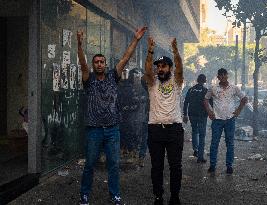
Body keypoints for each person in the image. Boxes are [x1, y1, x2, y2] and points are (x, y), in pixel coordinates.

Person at [77, 27, 147, 205]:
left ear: (106, 64)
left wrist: (136, 40)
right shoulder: (89, 79)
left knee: (114, 165)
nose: (99, 64)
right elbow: (82, 64)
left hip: (112, 130)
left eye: (102, 62)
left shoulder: (112, 77)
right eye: (96, 62)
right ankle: (84, 194)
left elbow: (126, 57)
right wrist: (79, 45)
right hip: (94, 130)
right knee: (90, 165)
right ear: (94, 65)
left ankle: (114, 194)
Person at [144, 37, 184, 205]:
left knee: (175, 167)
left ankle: (174, 197)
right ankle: (158, 196)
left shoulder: (177, 82)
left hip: (174, 129)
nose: (160, 69)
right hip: (155, 129)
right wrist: (150, 51)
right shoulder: (152, 83)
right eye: (158, 66)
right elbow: (147, 71)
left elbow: (180, 69)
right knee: (157, 167)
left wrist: (175, 51)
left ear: (170, 68)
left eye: (163, 66)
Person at [204, 68, 248, 175]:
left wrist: (238, 110)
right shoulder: (213, 88)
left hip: (230, 120)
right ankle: (212, 166)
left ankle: (229, 166)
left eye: (224, 75)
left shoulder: (234, 88)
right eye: (221, 75)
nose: (223, 77)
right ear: (218, 76)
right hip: (217, 120)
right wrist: (209, 111)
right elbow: (205, 99)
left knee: (230, 144)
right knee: (214, 143)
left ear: (227, 76)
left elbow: (244, 99)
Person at [183, 74, 209, 163]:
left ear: (197, 80)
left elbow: (186, 102)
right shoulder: (205, 91)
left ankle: (196, 150)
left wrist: (185, 114)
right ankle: (200, 157)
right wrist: (211, 113)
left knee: (195, 131)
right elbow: (210, 104)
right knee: (202, 135)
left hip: (192, 115)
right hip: (202, 116)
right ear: (204, 81)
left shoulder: (191, 90)